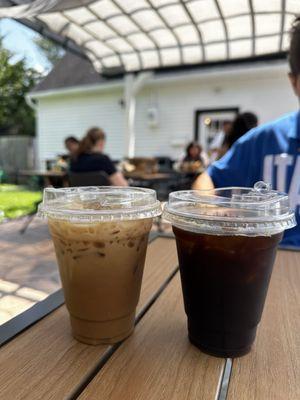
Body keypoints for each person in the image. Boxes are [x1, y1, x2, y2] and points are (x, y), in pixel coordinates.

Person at [193, 17, 300, 246]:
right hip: (269, 263)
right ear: (294, 82)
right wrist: (213, 214)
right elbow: (207, 179)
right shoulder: (264, 140)